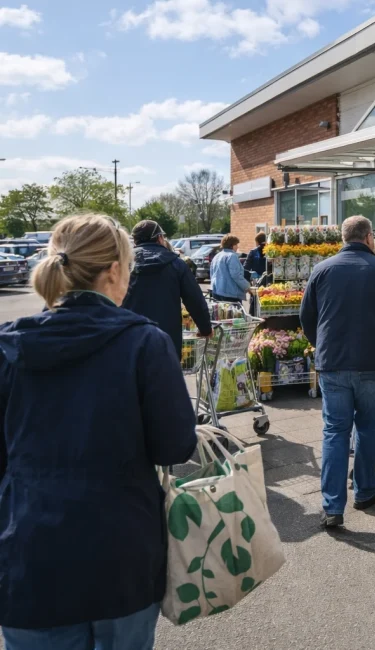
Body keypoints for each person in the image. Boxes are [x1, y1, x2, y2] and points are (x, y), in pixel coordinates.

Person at [0, 214, 197, 649]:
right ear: (113, 271)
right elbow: (176, 444)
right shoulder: (145, 343)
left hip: (29, 554)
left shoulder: (10, 345)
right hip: (120, 556)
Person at [300, 216, 375, 528]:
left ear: (344, 238)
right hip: (372, 361)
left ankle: (333, 507)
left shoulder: (322, 269)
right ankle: (364, 490)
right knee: (368, 426)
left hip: (333, 362)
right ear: (368, 237)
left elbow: (306, 315)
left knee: (335, 431)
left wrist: (320, 343)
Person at [123, 219, 212, 357]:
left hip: (129, 339)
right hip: (166, 340)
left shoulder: (122, 265)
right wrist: (205, 328)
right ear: (159, 238)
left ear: (135, 241)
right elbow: (195, 300)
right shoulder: (177, 264)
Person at [210, 234, 252, 303]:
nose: (237, 247)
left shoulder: (217, 256)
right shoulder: (232, 256)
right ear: (232, 245)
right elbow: (236, 275)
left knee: (220, 313)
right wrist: (247, 287)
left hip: (216, 292)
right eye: (236, 244)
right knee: (235, 313)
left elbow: (212, 274)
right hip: (230, 294)